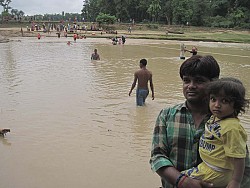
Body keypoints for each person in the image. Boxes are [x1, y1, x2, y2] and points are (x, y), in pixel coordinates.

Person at [149, 55, 250, 188]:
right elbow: (157, 156)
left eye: (199, 81)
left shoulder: (227, 123)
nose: (191, 86)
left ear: (214, 83)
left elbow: (243, 166)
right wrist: (183, 181)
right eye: (186, 80)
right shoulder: (167, 115)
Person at [182, 77, 249, 187]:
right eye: (213, 99)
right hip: (208, 166)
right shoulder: (216, 118)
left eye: (224, 101)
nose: (217, 105)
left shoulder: (232, 128)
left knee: (180, 180)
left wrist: (235, 181)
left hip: (217, 172)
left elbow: (239, 157)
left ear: (236, 105)